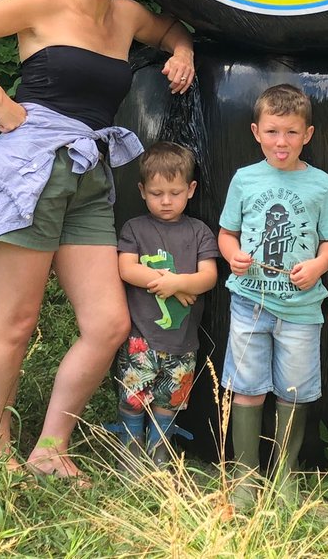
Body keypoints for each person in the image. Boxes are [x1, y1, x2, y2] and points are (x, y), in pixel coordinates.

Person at [0, 0, 195, 481]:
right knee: (17, 321)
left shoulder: (125, 16)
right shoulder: (43, 5)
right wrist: (1, 104)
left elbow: (170, 28)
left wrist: (184, 51)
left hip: (91, 175)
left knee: (107, 324)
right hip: (32, 168)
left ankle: (50, 447)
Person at [218, 83, 328, 507]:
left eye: (291, 132)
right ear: (256, 131)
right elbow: (227, 233)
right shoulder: (244, 179)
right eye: (272, 132)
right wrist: (233, 255)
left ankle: (286, 474)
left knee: (293, 390)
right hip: (249, 302)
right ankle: (245, 473)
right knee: (247, 386)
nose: (281, 142)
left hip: (301, 309)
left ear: (307, 134)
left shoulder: (321, 184)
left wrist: (319, 266)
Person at [114, 141, 218, 468]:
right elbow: (126, 268)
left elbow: (209, 277)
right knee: (132, 399)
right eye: (157, 193)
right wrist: (169, 284)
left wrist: (180, 284)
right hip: (140, 339)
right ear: (143, 191)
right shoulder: (135, 228)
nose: (166, 201)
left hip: (183, 342)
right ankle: (130, 454)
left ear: (191, 189)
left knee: (169, 401)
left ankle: (160, 454)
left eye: (174, 192)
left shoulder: (199, 231)